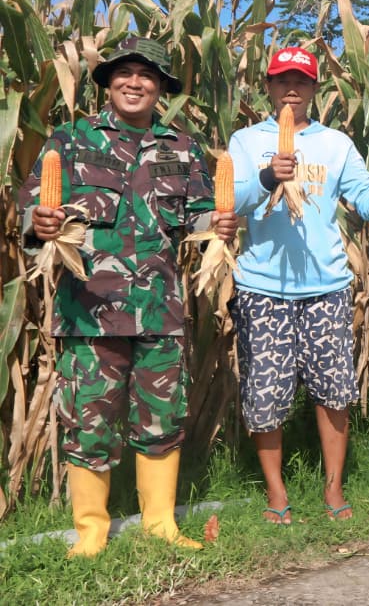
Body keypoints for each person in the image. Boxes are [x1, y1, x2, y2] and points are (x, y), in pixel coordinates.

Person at [20, 37, 235, 557]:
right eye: (125, 73)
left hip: (160, 309)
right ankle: (91, 531)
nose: (134, 82)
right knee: (89, 420)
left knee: (161, 419)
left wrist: (218, 223)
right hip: (89, 309)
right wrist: (40, 221)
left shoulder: (180, 147)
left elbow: (196, 216)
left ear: (161, 87)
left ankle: (159, 523)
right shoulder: (69, 141)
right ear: (108, 81)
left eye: (147, 75)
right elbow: (31, 214)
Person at [227, 46, 369, 523]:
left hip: (326, 285)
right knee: (265, 393)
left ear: (317, 89)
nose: (292, 89)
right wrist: (264, 177)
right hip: (262, 286)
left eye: (302, 81)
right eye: (282, 80)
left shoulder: (335, 143)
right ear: (268, 86)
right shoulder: (246, 139)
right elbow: (229, 198)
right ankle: (277, 494)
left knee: (334, 389)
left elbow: (364, 197)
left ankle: (334, 489)